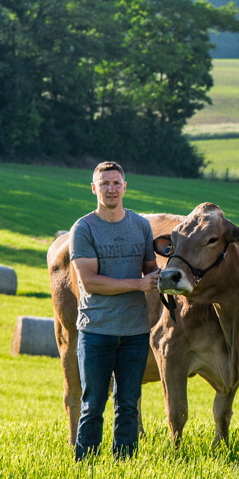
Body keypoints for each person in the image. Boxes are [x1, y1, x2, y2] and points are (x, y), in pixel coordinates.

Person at [69, 161, 160, 461]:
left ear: (124, 187)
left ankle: (124, 466)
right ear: (94, 189)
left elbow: (150, 270)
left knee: (129, 404)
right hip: (96, 330)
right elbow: (91, 282)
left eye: (116, 183)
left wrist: (164, 275)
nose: (111, 188)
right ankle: (86, 466)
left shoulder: (141, 226)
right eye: (104, 183)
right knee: (93, 403)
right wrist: (139, 284)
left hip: (135, 332)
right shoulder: (83, 229)